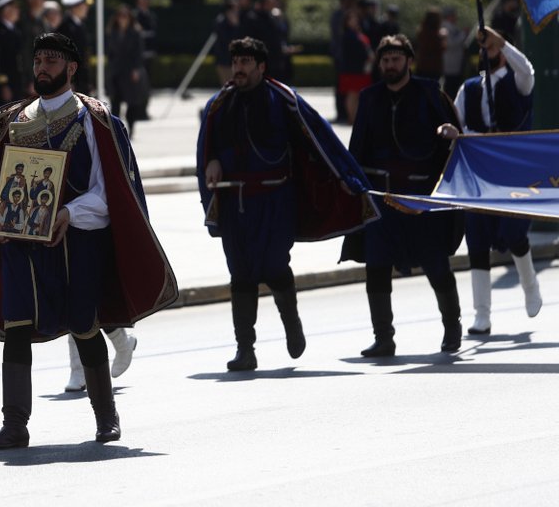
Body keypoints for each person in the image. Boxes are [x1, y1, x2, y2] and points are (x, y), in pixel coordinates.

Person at [0, 32, 178, 448]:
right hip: (23, 246)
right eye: (38, 59)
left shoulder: (93, 120)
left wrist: (68, 213)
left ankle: (106, 416)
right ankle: (14, 425)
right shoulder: (12, 120)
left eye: (52, 60)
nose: (42, 67)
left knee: (84, 324)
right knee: (17, 326)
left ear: (71, 68)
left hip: (77, 243)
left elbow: (106, 191)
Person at [198, 37, 376, 371]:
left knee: (274, 267)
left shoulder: (283, 99)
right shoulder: (220, 104)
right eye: (236, 61)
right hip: (236, 203)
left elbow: (320, 140)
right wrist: (212, 162)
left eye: (246, 62)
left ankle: (291, 322)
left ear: (261, 67)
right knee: (241, 274)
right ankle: (245, 349)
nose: (238, 68)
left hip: (275, 200)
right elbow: (207, 146)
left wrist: (347, 179)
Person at [344, 34, 464, 357]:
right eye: (385, 60)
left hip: (421, 197)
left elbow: (455, 137)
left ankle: (452, 326)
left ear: (408, 61)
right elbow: (357, 150)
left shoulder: (429, 93)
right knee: (376, 265)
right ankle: (383, 337)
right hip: (382, 198)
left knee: (435, 262)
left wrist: (449, 135)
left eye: (396, 59)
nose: (390, 65)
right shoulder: (369, 98)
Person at [451, 27, 541, 334]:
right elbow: (459, 127)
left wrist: (500, 41)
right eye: (484, 48)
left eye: (491, 48)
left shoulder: (519, 82)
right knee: (476, 240)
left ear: (502, 51)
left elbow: (526, 69)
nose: (486, 52)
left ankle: (530, 286)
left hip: (515, 175)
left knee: (514, 233)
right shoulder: (469, 88)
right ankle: (482, 314)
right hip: (480, 176)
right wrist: (455, 134)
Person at [105, 4, 150, 137]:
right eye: (120, 16)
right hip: (116, 71)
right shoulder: (112, 31)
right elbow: (109, 52)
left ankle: (131, 128)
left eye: (125, 16)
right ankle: (115, 130)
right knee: (115, 102)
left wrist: (136, 69)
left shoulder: (135, 32)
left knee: (132, 102)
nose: (123, 19)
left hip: (130, 72)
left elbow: (139, 52)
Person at [337, 9, 374, 124]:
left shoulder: (358, 33)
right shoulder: (348, 35)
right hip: (353, 69)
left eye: (356, 19)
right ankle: (351, 118)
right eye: (352, 19)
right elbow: (353, 52)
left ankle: (356, 117)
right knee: (352, 94)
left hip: (361, 69)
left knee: (358, 94)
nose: (355, 21)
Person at [57, 0, 93, 95]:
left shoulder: (79, 25)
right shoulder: (65, 28)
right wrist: (69, 81)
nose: (87, 8)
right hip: (72, 82)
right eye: (85, 5)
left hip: (81, 79)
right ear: (76, 7)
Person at [0, 0, 26, 102]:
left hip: (16, 81)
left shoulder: (14, 30)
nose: (18, 11)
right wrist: (3, 85)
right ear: (6, 11)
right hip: (7, 84)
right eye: (15, 8)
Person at [414, 7, 446, 82]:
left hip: (422, 66)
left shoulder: (421, 33)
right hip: (434, 68)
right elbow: (443, 48)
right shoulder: (438, 36)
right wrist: (444, 38)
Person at [441, 7, 467, 99]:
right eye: (454, 16)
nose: (456, 18)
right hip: (450, 63)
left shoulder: (452, 27)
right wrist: (463, 34)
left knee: (454, 87)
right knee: (450, 88)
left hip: (455, 62)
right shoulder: (445, 28)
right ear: (449, 16)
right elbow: (451, 44)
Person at [133, 0, 158, 79]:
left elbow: (153, 32)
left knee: (148, 75)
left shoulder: (151, 15)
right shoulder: (134, 15)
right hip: (139, 52)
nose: (145, 1)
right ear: (138, 1)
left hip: (149, 51)